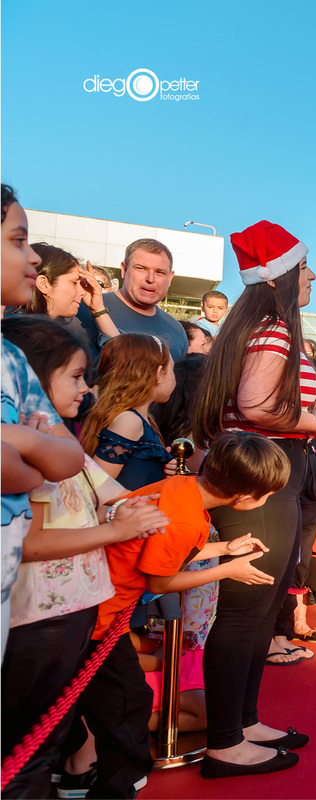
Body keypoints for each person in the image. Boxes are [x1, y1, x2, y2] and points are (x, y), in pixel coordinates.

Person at [192, 220, 316, 769]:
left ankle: (242, 721)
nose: (312, 275)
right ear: (279, 276)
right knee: (246, 606)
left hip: (273, 467)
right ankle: (224, 740)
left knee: (262, 609)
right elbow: (259, 404)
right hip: (267, 468)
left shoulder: (267, 326)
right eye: (303, 266)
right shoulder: (275, 329)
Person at [0, 316, 169, 797]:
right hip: (43, 614)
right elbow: (26, 541)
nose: (87, 388)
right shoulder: (23, 447)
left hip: (84, 604)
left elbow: (106, 488)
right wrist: (114, 530)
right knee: (34, 741)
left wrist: (136, 507)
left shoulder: (57, 443)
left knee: (117, 701)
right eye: (75, 377)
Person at [68, 433, 289, 789]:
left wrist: (225, 547)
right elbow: (159, 581)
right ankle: (112, 783)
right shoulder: (187, 517)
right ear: (244, 497)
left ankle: (80, 772)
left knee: (113, 701)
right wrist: (227, 568)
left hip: (95, 610)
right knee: (124, 706)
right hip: (97, 618)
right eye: (266, 496)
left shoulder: (183, 489)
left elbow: (169, 549)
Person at [1, 184, 88, 660]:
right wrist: (29, 447)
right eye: (17, 241)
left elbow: (65, 458)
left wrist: (14, 439)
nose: (33, 258)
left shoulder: (10, 357)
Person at [80, 333, 176, 490]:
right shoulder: (129, 421)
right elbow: (96, 485)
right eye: (172, 369)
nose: (174, 377)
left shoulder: (141, 419)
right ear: (158, 374)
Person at [75, 238, 188, 362]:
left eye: (159, 272)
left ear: (170, 278)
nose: (150, 279)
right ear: (124, 270)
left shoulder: (177, 329)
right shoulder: (83, 309)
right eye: (141, 268)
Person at [26, 244, 122, 342]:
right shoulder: (13, 334)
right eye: (74, 283)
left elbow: (122, 354)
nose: (83, 292)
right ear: (44, 284)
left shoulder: (76, 329)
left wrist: (98, 309)